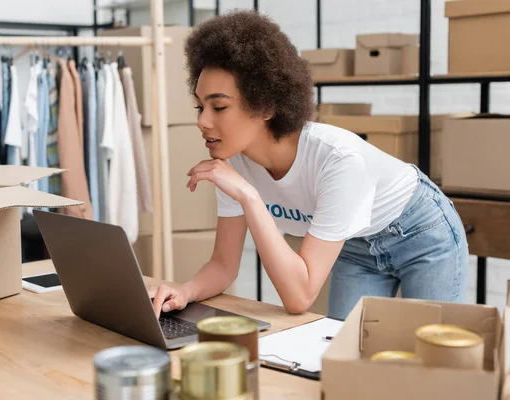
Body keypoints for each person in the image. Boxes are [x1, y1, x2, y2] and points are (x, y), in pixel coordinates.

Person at [147, 10, 469, 321]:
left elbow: (299, 297)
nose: (202, 121)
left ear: (265, 105)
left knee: (431, 362)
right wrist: (184, 291)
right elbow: (223, 265)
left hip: (421, 231)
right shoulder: (235, 165)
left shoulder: (337, 162)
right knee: (347, 359)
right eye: (200, 106)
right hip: (355, 245)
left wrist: (249, 196)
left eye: (218, 106)